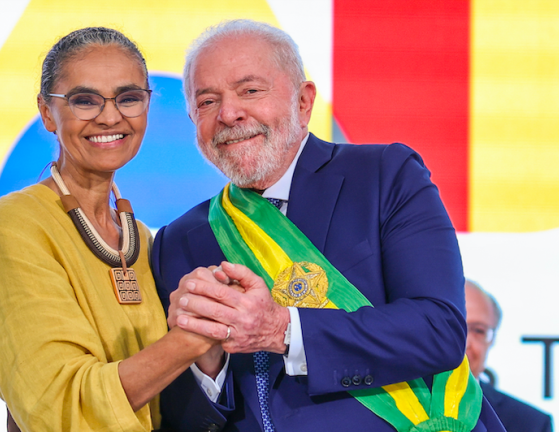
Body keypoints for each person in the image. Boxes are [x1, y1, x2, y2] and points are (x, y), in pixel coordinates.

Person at [152, 19, 506, 431]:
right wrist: (205, 363)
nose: (229, 113)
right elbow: (184, 416)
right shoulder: (176, 241)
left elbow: (438, 329)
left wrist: (281, 329)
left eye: (250, 90)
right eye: (207, 101)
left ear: (303, 102)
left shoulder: (384, 175)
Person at [0, 27, 218, 432]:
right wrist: (192, 338)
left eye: (129, 98)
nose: (109, 115)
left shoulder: (143, 238)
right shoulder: (18, 223)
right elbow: (59, 405)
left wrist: (213, 349)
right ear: (47, 112)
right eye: (84, 100)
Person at [465, 280, 553, 432]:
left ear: (492, 340)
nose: (465, 342)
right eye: (452, 326)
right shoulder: (408, 399)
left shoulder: (531, 424)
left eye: (478, 330)